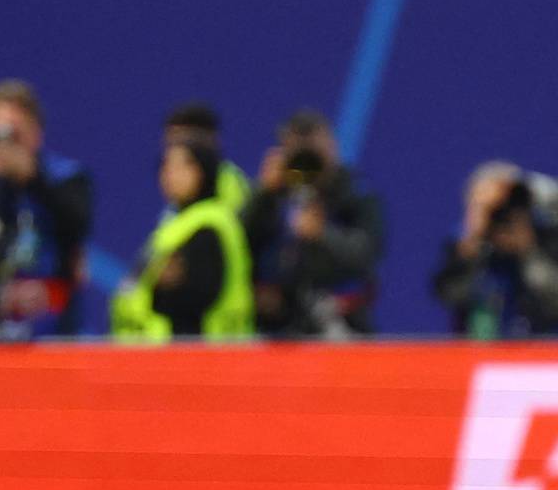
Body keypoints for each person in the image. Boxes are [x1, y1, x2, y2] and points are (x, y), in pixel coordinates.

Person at [0, 79, 93, 339]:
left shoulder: (64, 177)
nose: (3, 145)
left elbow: (76, 227)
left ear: (36, 133)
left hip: (48, 333)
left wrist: (32, 179)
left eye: (13, 134)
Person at [243, 109, 384, 337]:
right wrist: (263, 194)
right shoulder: (274, 196)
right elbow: (237, 244)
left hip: (340, 325)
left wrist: (323, 234)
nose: (306, 161)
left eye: (313, 149)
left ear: (332, 147)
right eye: (296, 151)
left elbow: (367, 255)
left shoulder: (356, 196)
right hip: (275, 329)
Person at [111, 139, 254, 340]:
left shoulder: (210, 225)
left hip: (197, 356)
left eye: (180, 166)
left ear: (202, 171)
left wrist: (163, 288)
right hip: (155, 352)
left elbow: (197, 296)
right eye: (165, 166)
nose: (169, 174)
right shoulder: (175, 223)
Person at [433, 161, 558, 337]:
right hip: (479, 353)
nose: (503, 212)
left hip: (543, 353)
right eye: (492, 207)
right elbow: (450, 295)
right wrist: (473, 244)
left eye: (508, 202)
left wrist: (528, 253)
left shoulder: (552, 237)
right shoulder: (463, 244)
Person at [162, 101, 252, 212]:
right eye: (172, 142)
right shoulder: (172, 209)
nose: (175, 151)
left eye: (183, 141)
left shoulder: (229, 185)